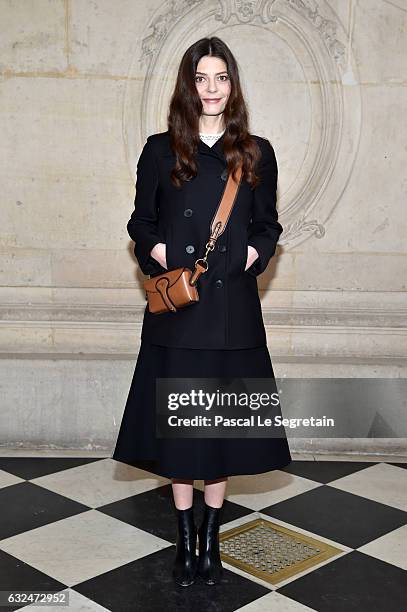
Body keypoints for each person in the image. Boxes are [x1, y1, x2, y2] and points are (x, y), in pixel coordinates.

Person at [112, 36, 292, 587]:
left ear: (232, 86)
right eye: (201, 79)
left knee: (218, 431)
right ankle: (184, 535)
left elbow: (268, 225)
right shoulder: (159, 150)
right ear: (188, 86)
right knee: (180, 431)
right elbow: (140, 222)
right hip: (178, 313)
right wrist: (160, 251)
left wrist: (254, 253)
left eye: (221, 78)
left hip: (232, 312)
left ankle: (211, 538)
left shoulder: (255, 152)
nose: (211, 89)